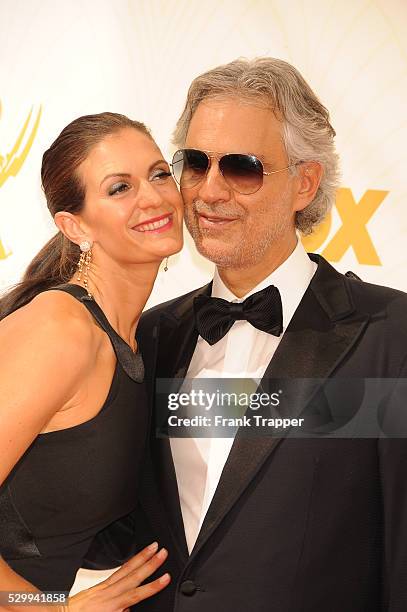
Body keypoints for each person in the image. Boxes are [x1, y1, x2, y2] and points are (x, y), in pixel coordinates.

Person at [86, 60, 407, 611]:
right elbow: (112, 523)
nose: (209, 191)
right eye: (194, 163)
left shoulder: (389, 337)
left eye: (242, 168)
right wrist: (41, 602)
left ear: (304, 183)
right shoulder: (151, 335)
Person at [0, 112, 184, 611]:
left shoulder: (144, 337)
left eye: (160, 173)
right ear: (73, 225)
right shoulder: (60, 330)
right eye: (119, 187)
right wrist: (52, 611)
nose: (152, 197)